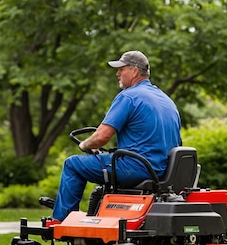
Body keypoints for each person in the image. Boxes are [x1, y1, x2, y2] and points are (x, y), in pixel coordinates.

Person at [49, 50, 182, 222]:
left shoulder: (128, 97)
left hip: (134, 168)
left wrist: (85, 145)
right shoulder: (167, 101)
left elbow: (102, 136)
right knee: (107, 160)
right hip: (162, 171)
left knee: (72, 164)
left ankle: (60, 222)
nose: (117, 73)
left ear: (134, 71)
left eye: (122, 68)